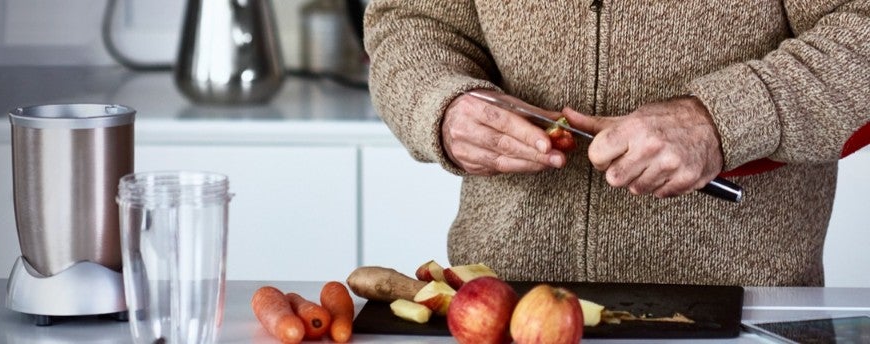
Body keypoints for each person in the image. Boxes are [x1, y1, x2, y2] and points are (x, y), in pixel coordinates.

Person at [364, 1, 870, 286]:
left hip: (742, 302)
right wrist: (441, 104)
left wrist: (722, 118)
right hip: (503, 298)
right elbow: (412, 22)